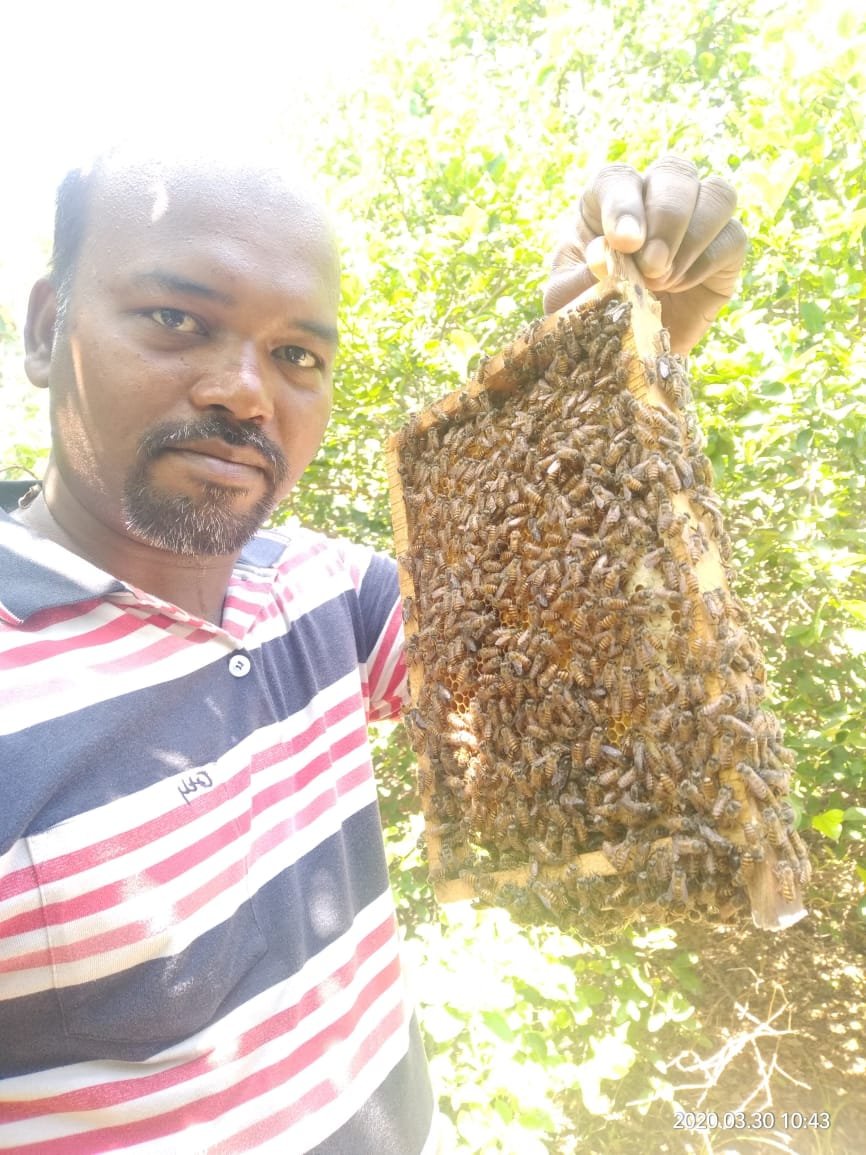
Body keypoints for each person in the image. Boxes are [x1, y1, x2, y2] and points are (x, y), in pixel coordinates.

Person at [0, 149, 746, 1152]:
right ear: (50, 327)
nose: (244, 393)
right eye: (178, 320)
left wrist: (606, 361)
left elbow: (548, 666)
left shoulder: (329, 588)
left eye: (298, 355)